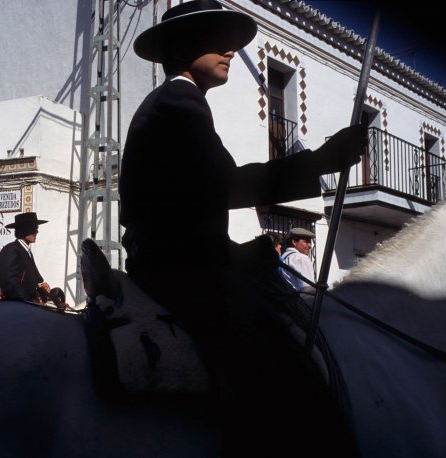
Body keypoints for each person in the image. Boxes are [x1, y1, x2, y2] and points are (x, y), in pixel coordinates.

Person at [120, 1, 365, 455]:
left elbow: (194, 198)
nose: (230, 49)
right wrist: (321, 161)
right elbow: (226, 186)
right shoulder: (179, 99)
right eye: (216, 37)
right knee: (282, 377)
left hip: (175, 258)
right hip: (178, 269)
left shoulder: (178, 103)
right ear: (181, 47)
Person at [0, 212, 51, 303]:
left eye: (36, 228)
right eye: (33, 229)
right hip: (17, 305)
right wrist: (28, 301)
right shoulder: (11, 250)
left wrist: (40, 286)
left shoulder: (26, 251)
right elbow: (10, 283)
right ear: (22, 230)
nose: (36, 232)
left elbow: (32, 279)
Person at [281, 227, 316, 291]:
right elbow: (308, 290)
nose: (310, 245)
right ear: (294, 242)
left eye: (310, 242)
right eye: (306, 241)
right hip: (298, 299)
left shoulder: (284, 257)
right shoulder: (301, 258)